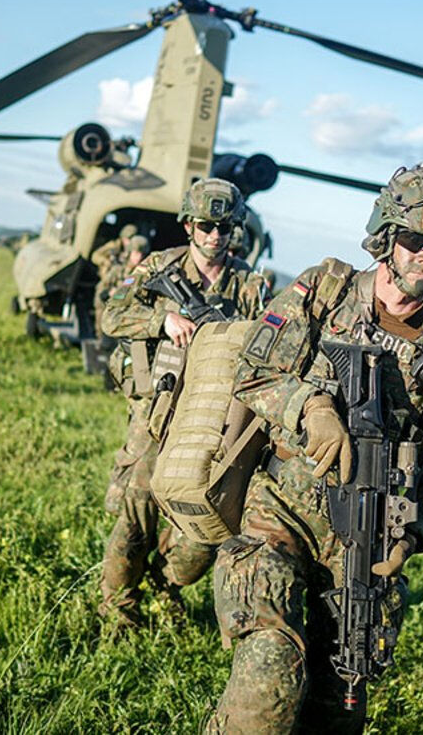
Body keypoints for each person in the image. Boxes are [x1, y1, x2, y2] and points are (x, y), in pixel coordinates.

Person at [205, 162, 423, 734]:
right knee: (272, 672)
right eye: (416, 241)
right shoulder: (324, 289)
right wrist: (310, 405)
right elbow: (254, 370)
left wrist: (413, 533)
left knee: (341, 705)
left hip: (364, 546)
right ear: (386, 236)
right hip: (279, 515)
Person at [94, 179, 269, 629]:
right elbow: (111, 314)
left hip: (210, 415)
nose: (215, 236)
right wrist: (161, 319)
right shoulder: (158, 266)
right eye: (207, 226)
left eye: (225, 227)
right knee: (137, 515)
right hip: (157, 408)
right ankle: (119, 611)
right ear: (189, 225)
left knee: (207, 520)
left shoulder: (249, 284)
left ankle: (166, 583)